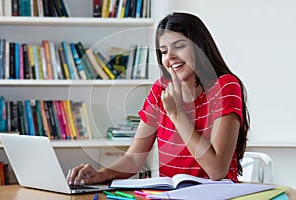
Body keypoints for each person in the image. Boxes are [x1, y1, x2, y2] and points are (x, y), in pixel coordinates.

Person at [67, 12, 249, 185]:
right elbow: (134, 158)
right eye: (163, 51)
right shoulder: (160, 89)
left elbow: (216, 170)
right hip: (171, 194)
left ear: (199, 47)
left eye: (179, 46)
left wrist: (176, 113)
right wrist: (100, 174)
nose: (170, 57)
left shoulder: (225, 86)